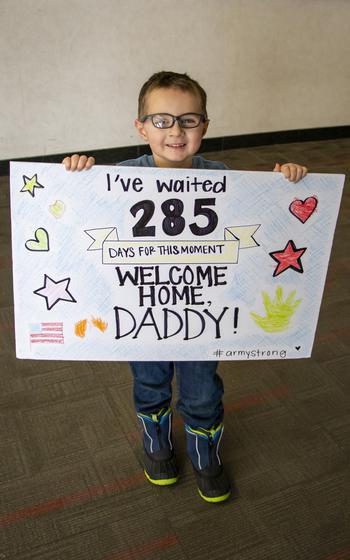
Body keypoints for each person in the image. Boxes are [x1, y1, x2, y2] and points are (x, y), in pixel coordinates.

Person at [63, 71, 308, 503]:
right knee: (150, 381)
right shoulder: (118, 176)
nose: (176, 130)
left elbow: (255, 229)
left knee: (202, 387)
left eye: (189, 120)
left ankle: (203, 452)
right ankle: (156, 441)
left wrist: (285, 184)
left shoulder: (221, 176)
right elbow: (84, 221)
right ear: (140, 127)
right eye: (161, 120)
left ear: (205, 126)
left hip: (203, 313)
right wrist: (77, 175)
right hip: (142, 313)